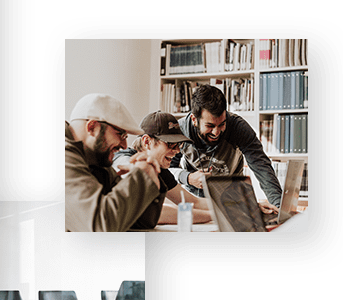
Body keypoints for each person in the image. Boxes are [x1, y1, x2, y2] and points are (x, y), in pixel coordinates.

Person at [171, 84, 282, 213]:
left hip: (233, 202)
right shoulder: (179, 130)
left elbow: (261, 166)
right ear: (194, 120)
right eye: (209, 126)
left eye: (222, 124)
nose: (216, 132)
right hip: (195, 203)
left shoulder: (238, 128)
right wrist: (188, 178)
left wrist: (278, 207)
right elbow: (167, 169)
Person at [65, 93, 161, 232]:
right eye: (120, 134)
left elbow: (142, 221)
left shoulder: (95, 159)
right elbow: (100, 227)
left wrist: (150, 173)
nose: (124, 145)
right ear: (92, 127)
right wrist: (141, 177)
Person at [112, 111, 212, 228]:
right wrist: (212, 215)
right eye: (170, 144)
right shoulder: (124, 158)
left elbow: (193, 202)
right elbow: (154, 213)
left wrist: (230, 205)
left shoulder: (159, 167)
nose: (177, 151)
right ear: (147, 142)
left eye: (178, 144)